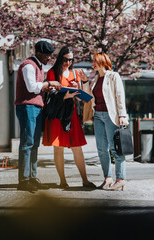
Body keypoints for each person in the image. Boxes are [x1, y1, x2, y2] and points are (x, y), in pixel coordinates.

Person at [42, 46, 96, 189]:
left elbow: (83, 98)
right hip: (58, 114)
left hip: (71, 114)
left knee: (77, 147)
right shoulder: (52, 72)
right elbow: (51, 94)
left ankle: (85, 180)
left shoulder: (75, 73)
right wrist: (65, 95)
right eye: (65, 59)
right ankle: (63, 181)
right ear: (60, 58)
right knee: (58, 147)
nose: (68, 62)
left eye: (71, 60)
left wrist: (84, 82)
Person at [14, 40, 62, 192]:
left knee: (34, 144)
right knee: (28, 143)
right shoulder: (28, 65)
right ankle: (24, 180)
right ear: (39, 53)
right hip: (27, 106)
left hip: (35, 107)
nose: (49, 58)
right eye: (47, 55)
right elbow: (32, 87)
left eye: (51, 56)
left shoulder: (39, 66)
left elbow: (37, 88)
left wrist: (45, 88)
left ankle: (32, 177)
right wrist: (48, 84)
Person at [78, 52, 129, 191]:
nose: (92, 63)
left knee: (115, 148)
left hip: (111, 115)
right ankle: (108, 178)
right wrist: (84, 82)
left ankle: (121, 179)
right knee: (101, 149)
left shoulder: (113, 76)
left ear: (102, 61)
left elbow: (119, 96)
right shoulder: (95, 79)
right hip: (98, 115)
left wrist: (122, 114)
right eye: (92, 61)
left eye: (95, 61)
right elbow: (89, 97)